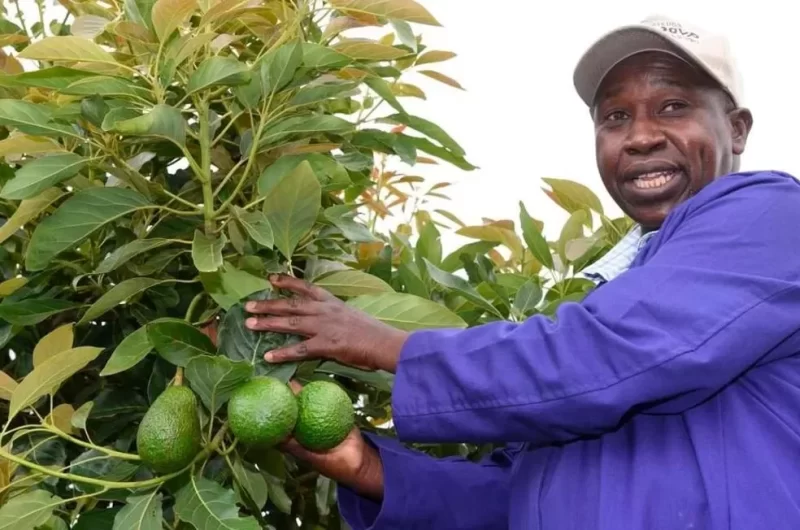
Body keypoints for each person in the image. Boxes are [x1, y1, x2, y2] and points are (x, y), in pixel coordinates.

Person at [244, 15, 800, 529]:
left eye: (674, 106)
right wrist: (360, 462)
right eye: (615, 116)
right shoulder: (609, 298)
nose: (640, 136)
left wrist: (386, 344)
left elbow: (605, 357)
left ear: (737, 129)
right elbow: (517, 496)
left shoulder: (771, 216)